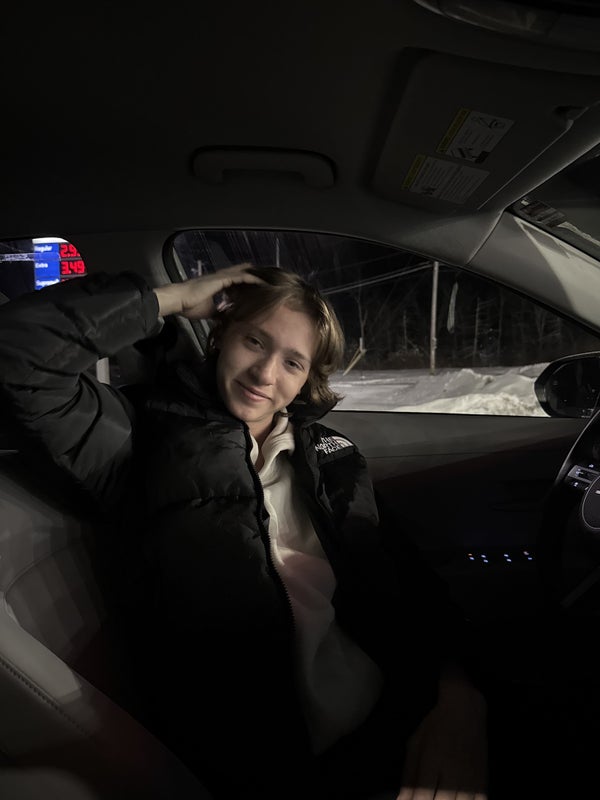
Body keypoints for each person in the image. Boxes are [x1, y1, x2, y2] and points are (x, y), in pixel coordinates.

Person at [0, 263, 487, 800]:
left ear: (307, 379)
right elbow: (18, 353)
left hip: (396, 711)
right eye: (254, 341)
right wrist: (171, 298)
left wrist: (458, 694)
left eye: (292, 362)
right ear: (220, 335)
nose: (264, 374)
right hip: (266, 763)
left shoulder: (333, 456)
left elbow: (409, 583)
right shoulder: (138, 435)